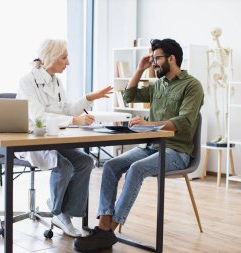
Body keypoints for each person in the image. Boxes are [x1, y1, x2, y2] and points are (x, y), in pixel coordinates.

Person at [74, 38, 204, 252]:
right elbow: (128, 96)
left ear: (172, 59)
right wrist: (140, 68)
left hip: (177, 151)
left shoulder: (192, 86)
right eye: (152, 58)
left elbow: (184, 122)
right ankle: (103, 225)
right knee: (111, 165)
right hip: (152, 147)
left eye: (157, 58)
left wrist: (148, 124)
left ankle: (110, 230)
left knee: (136, 168)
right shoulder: (157, 84)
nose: (153, 62)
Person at [16, 39, 113, 238]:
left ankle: (62, 210)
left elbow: (67, 109)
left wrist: (89, 98)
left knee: (86, 161)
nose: (67, 63)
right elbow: (39, 117)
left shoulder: (56, 81)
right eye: (64, 57)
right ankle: (59, 213)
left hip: (56, 139)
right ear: (50, 57)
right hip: (33, 140)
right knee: (65, 166)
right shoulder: (27, 81)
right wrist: (73, 119)